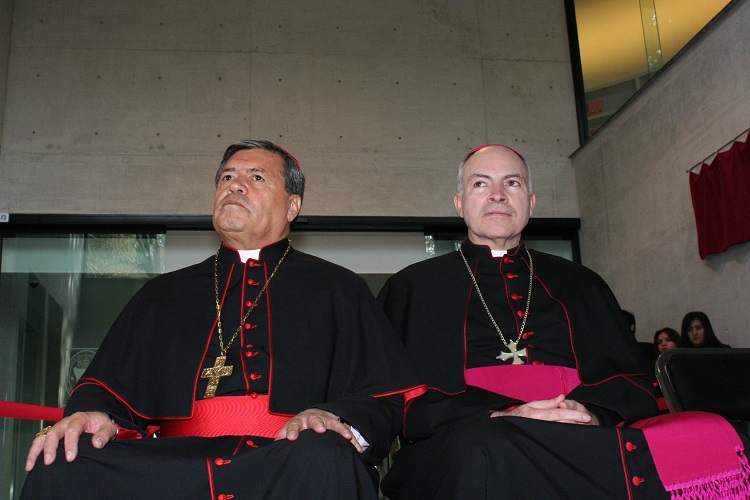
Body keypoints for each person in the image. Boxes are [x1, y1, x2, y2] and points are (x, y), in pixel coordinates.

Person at [22, 140, 422, 499]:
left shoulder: (338, 288)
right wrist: (96, 412)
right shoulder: (164, 294)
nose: (235, 184)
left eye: (257, 176)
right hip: (176, 464)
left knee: (324, 456)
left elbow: (383, 394)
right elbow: (109, 386)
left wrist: (335, 418)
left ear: (292, 206)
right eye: (227, 176)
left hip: (289, 459)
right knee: (61, 460)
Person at [378, 144, 750, 499]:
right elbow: (398, 396)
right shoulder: (412, 287)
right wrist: (506, 413)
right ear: (460, 203)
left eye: (512, 183)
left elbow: (631, 381)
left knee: (708, 433)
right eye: (480, 183)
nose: (497, 195)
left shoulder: (582, 283)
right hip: (467, 434)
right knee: (488, 448)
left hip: (584, 427)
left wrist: (590, 413)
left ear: (531, 202)